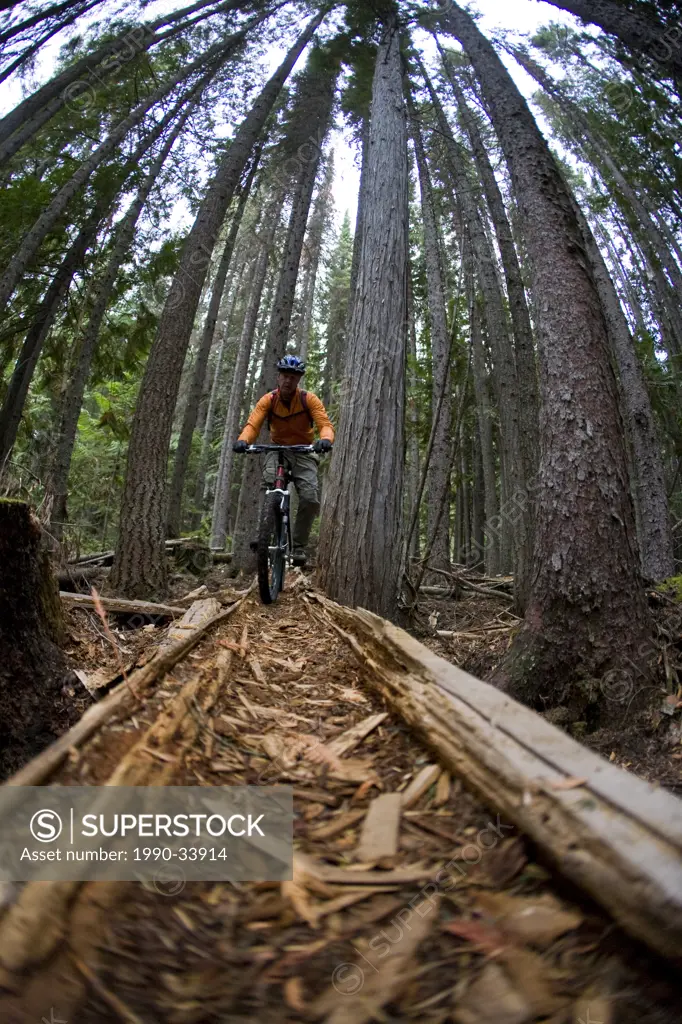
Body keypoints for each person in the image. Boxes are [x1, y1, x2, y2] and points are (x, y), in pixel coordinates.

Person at [233, 355, 334, 566]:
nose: (288, 381)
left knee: (309, 497)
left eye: (293, 378)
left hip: (303, 451)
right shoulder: (268, 400)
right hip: (277, 448)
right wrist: (243, 441)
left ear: (298, 381)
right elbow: (253, 425)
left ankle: (298, 546)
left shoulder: (309, 399)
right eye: (285, 376)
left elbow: (324, 423)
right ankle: (265, 533)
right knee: (269, 484)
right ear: (279, 377)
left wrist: (325, 439)